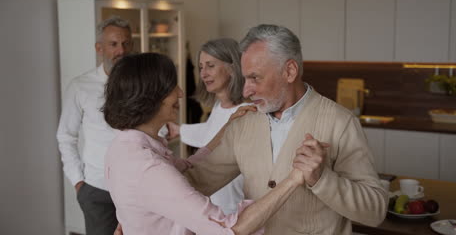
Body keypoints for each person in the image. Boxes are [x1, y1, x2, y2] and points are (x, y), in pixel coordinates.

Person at [184, 24, 388, 235]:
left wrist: (322, 179)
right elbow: (197, 181)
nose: (246, 90)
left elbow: (375, 211)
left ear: (289, 71)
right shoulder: (243, 123)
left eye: (255, 78)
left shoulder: (340, 122)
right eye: (245, 78)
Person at [103, 52, 305, 235]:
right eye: (173, 87)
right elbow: (228, 230)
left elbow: (187, 168)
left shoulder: (121, 147)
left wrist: (227, 129)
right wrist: (294, 179)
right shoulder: (149, 168)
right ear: (151, 97)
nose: (181, 93)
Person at [56, 16, 133, 235]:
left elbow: (160, 130)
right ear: (99, 48)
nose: (121, 50)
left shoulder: (142, 84)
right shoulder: (80, 86)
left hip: (138, 187)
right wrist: (78, 182)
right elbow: (66, 136)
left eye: (126, 43)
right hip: (98, 191)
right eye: (114, 44)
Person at [167, 38, 250, 214]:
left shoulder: (247, 112)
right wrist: (179, 130)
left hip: (236, 210)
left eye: (210, 66)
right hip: (214, 206)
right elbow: (210, 133)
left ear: (232, 68)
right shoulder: (219, 106)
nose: (203, 74)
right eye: (201, 67)